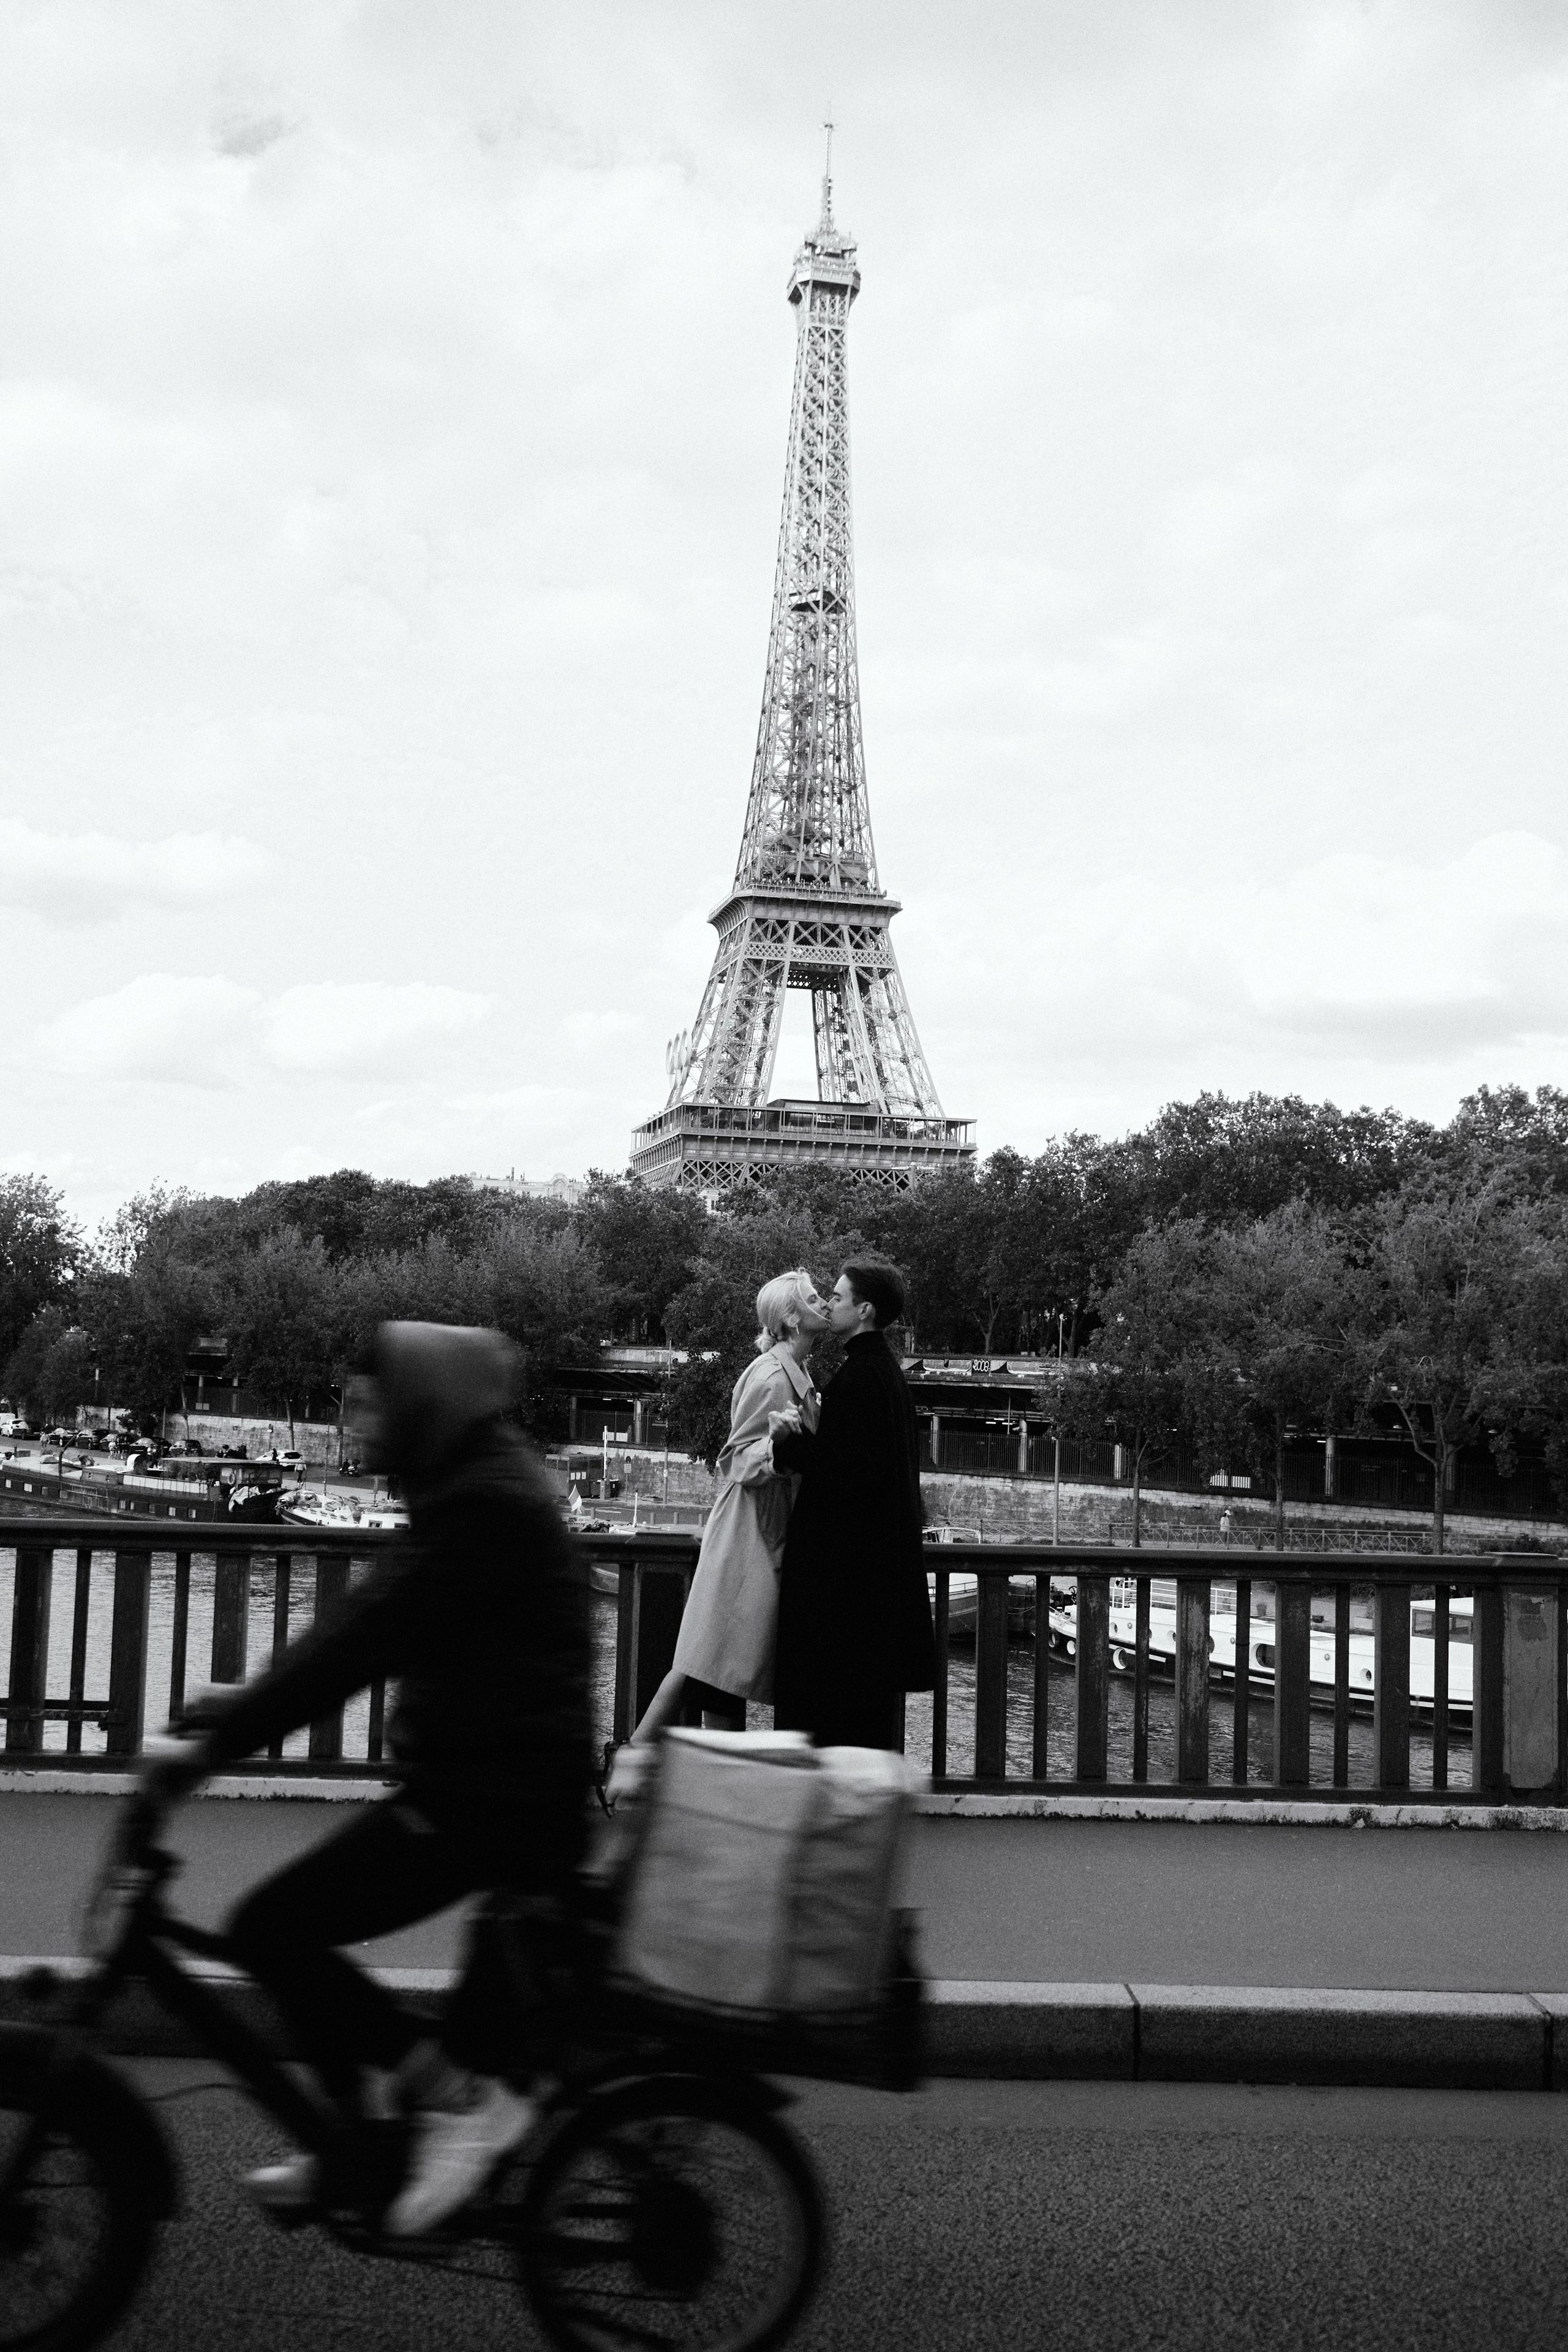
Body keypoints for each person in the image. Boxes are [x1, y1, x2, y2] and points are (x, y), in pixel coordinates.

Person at [142, 1320, 592, 2236]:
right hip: (491, 1785)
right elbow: (367, 1625)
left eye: (371, 1405)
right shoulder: (471, 1485)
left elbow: (361, 1641)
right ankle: (359, 2141)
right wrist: (241, 1704)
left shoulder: (482, 1507)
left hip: (493, 1801)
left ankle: (452, 2104)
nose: (357, 1423)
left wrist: (219, 1744)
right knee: (292, 1930)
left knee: (274, 1928)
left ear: (423, 1407)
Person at [628, 1270, 827, 1744]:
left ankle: (638, 1756)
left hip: (759, 1527)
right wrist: (779, 1448)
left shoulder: (792, 1373)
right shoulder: (773, 1377)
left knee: (710, 1663)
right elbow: (735, 1459)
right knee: (713, 1665)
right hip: (750, 1530)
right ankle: (643, 1757)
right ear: (792, 1318)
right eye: (814, 1297)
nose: (824, 1302)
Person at [771, 1256, 935, 1749]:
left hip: (844, 1597)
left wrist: (789, 1443)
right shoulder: (884, 1374)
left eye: (838, 1297)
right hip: (872, 1595)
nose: (830, 1303)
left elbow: (848, 1476)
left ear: (865, 1310)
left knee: (826, 1725)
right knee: (860, 1734)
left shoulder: (860, 1378)